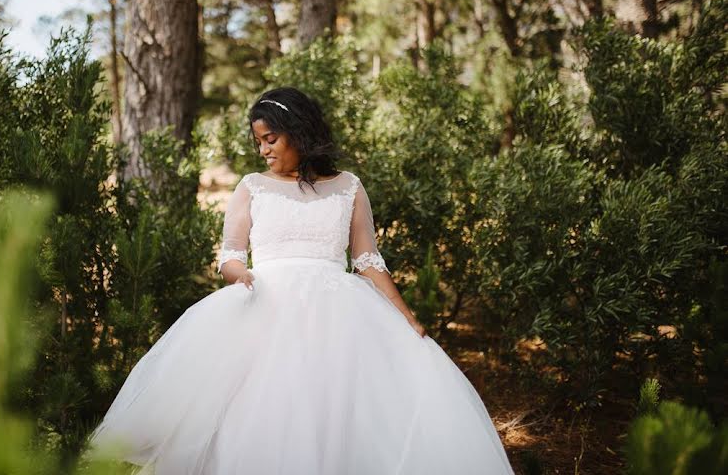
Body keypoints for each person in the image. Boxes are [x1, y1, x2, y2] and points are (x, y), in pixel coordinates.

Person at [85, 87, 515, 474]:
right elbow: (230, 256)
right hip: (266, 305)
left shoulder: (348, 187)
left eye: (270, 139)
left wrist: (407, 317)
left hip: (339, 314)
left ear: (298, 132)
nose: (263, 151)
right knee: (263, 413)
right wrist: (242, 276)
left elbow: (367, 260)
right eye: (258, 142)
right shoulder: (252, 187)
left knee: (340, 413)